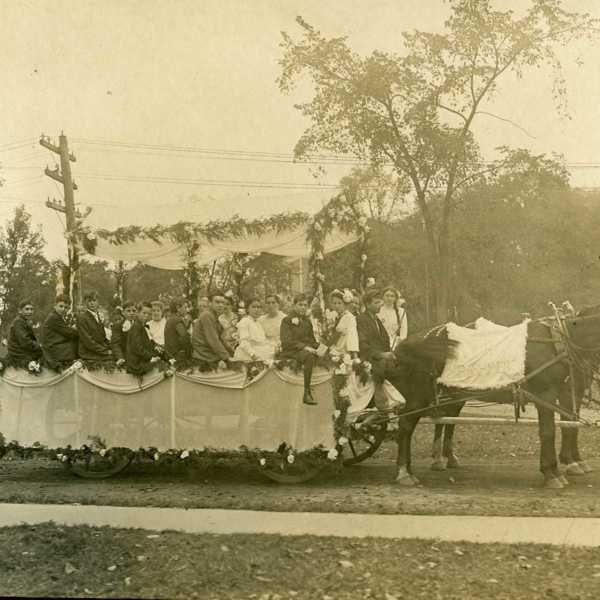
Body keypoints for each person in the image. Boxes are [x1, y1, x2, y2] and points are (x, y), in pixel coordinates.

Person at [357, 288, 401, 403]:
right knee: (382, 364)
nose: (380, 305)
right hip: (369, 356)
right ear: (367, 304)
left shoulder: (376, 319)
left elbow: (385, 340)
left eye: (379, 302)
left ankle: (400, 398)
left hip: (381, 355)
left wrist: (390, 353)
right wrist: (382, 354)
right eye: (376, 303)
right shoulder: (361, 319)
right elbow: (363, 344)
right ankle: (379, 394)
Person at [279, 293, 320, 405]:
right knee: (309, 356)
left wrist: (322, 347)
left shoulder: (307, 321)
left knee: (324, 354)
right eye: (300, 304)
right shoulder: (287, 320)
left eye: (305, 305)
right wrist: (305, 347)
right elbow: (286, 341)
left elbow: (311, 340)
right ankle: (306, 392)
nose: (303, 307)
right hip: (290, 351)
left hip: (303, 350)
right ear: (294, 305)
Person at [191, 292, 233, 367]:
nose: (221, 305)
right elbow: (214, 340)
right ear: (210, 303)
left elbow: (221, 339)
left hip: (209, 354)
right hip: (204, 356)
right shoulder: (207, 315)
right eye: (217, 302)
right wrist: (227, 357)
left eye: (223, 303)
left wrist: (232, 352)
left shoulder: (214, 316)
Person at [41, 294, 78, 370]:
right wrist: (77, 330)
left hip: (55, 345)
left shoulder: (57, 316)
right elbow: (69, 333)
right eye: (61, 306)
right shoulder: (54, 317)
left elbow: (66, 331)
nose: (63, 309)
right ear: (55, 306)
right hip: (53, 349)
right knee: (79, 343)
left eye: (66, 307)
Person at [233, 297, 276, 362]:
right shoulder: (244, 322)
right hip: (248, 354)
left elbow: (262, 341)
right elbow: (243, 342)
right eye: (253, 307)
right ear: (247, 309)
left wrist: (273, 345)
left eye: (259, 307)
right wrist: (253, 354)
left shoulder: (258, 323)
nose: (256, 309)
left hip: (259, 350)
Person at [126, 302, 163, 376]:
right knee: (160, 366)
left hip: (140, 359)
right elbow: (137, 348)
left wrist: (157, 351)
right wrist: (151, 357)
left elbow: (148, 345)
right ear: (138, 312)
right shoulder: (136, 327)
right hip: (136, 364)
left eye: (149, 314)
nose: (146, 316)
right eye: (144, 313)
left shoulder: (142, 326)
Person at [77, 292, 112, 363]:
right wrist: (105, 351)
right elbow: (88, 341)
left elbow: (102, 337)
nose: (92, 303)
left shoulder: (98, 316)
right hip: (88, 352)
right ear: (85, 303)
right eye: (89, 301)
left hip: (97, 349)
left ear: (98, 302)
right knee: (113, 357)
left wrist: (110, 347)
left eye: (94, 300)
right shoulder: (82, 318)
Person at [6, 299, 43, 368]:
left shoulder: (24, 322)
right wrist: (39, 346)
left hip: (22, 351)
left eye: (32, 309)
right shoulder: (18, 322)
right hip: (18, 353)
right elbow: (25, 342)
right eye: (27, 309)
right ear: (20, 311)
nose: (30, 312)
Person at [328, 289, 359, 357]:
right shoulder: (334, 316)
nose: (337, 306)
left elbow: (353, 336)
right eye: (334, 303)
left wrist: (354, 355)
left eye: (339, 303)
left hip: (344, 350)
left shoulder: (349, 317)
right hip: (333, 348)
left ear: (345, 304)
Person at [164, 298, 192, 363]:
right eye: (185, 307)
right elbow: (185, 338)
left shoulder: (171, 319)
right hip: (177, 356)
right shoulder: (177, 320)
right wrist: (189, 355)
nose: (187, 310)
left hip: (170, 355)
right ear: (178, 308)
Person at [111, 301, 137, 367]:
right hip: (125, 356)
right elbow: (115, 344)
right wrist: (120, 357)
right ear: (123, 313)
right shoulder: (118, 326)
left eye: (134, 311)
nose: (131, 313)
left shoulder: (139, 325)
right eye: (128, 311)